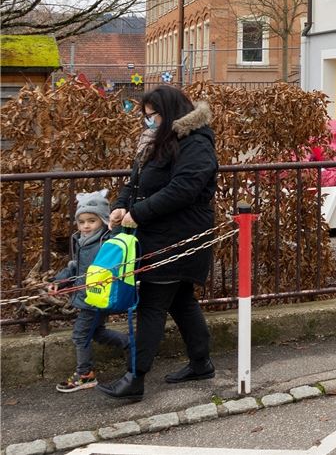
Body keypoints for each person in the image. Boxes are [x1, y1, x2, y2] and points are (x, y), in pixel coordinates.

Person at [99, 86, 218, 402]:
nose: (149, 121)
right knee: (181, 299)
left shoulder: (196, 141)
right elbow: (135, 181)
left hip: (179, 236)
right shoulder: (159, 140)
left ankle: (135, 378)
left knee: (152, 305)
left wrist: (137, 213)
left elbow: (184, 188)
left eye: (154, 115)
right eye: (146, 116)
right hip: (160, 234)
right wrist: (121, 205)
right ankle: (200, 363)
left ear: (171, 111)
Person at [50, 189, 130, 392]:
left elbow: (118, 245)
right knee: (97, 333)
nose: (86, 226)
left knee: (80, 335)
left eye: (91, 221)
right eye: (82, 221)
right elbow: (76, 267)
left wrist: (115, 227)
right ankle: (131, 343)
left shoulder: (106, 241)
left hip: (95, 297)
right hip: (88, 296)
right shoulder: (82, 241)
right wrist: (60, 282)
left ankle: (85, 374)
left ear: (103, 220)